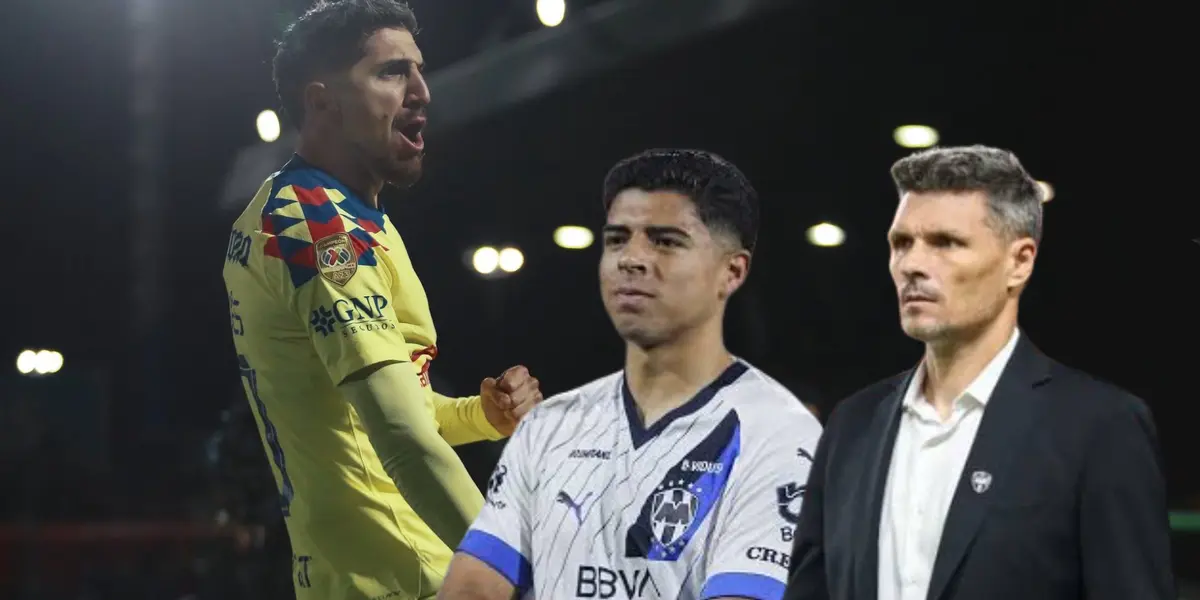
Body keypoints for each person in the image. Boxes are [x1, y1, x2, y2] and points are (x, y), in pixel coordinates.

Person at [222, 2, 543, 598]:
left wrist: (481, 414)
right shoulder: (317, 225)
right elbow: (402, 440)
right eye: (392, 72)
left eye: (420, 71)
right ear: (322, 101)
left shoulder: (339, 216)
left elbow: (389, 415)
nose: (422, 91)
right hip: (399, 579)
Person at [783, 145, 1175, 600]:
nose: (912, 264)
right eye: (901, 243)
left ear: (1019, 262)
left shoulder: (1099, 428)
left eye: (946, 243)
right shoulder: (853, 424)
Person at [436, 149, 823, 600]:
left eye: (665, 241)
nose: (631, 259)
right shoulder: (548, 427)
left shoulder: (779, 435)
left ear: (731, 271)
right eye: (618, 239)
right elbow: (471, 590)